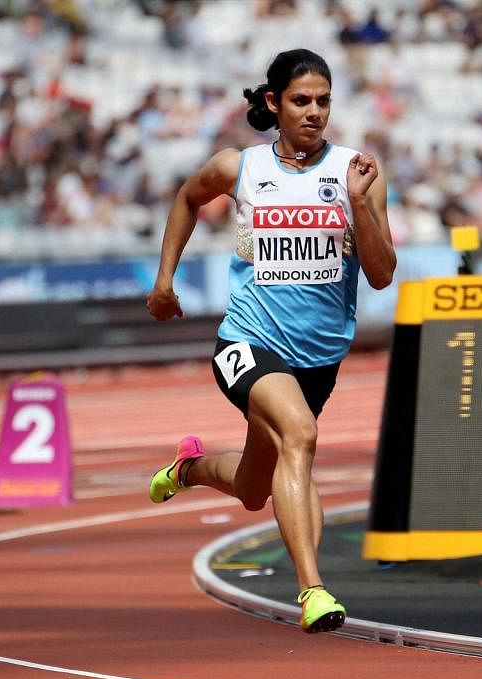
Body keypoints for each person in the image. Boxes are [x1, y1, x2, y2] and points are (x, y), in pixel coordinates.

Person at [145, 48, 397, 634]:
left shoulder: (359, 175)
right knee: (301, 439)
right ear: (273, 103)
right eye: (301, 101)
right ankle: (312, 590)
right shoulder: (241, 168)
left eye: (323, 101)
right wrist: (164, 282)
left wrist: (359, 205)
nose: (314, 112)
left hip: (319, 360)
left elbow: (382, 274)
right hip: (247, 342)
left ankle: (189, 469)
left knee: (256, 489)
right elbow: (187, 198)